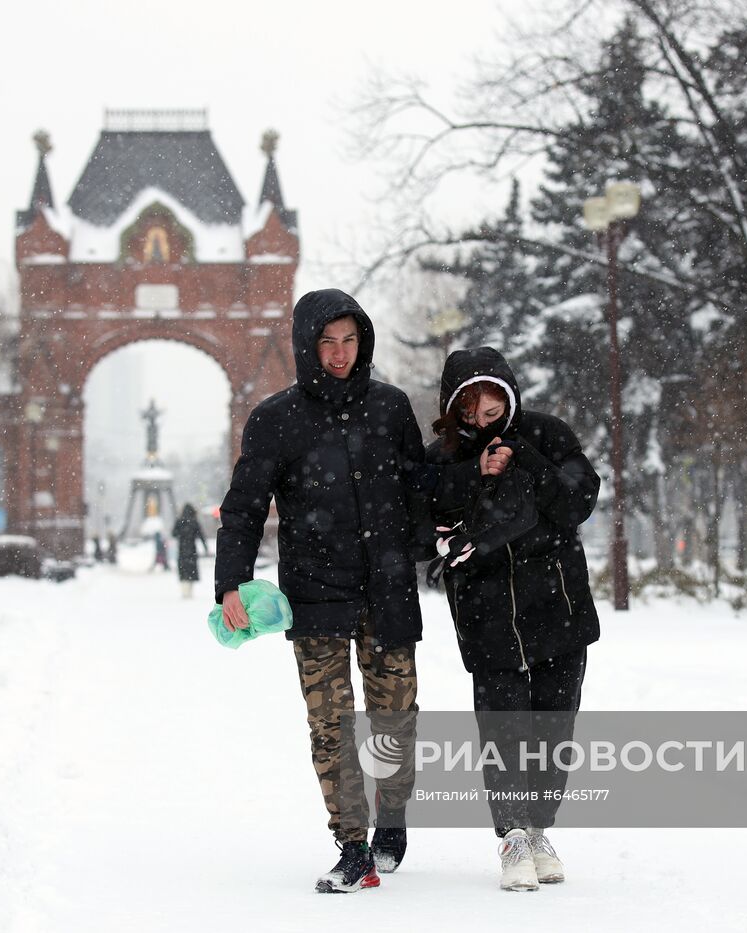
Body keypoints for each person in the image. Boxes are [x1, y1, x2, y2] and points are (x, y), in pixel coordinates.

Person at [215, 288, 429, 894]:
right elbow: (245, 509)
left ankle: (392, 822)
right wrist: (230, 581)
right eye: (327, 342)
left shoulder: (390, 407)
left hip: (387, 590)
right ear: (307, 345)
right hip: (314, 593)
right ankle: (352, 846)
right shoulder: (276, 419)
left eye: (349, 340)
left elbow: (418, 489)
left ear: (363, 342)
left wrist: (427, 545)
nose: (339, 354)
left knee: (395, 716)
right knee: (331, 724)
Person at [426, 346, 600, 893]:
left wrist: (522, 455)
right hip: (488, 615)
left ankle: (540, 828)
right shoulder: (442, 458)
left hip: (558, 605)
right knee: (503, 731)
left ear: (508, 396)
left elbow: (577, 501)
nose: (481, 417)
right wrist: (472, 480)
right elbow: (420, 520)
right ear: (454, 408)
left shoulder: (547, 434)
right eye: (468, 408)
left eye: (491, 404)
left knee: (554, 726)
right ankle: (512, 836)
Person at [171, 503, 209, 598]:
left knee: (183, 571)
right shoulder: (194, 522)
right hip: (192, 550)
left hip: (182, 550)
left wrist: (181, 534)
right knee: (191, 571)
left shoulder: (179, 521)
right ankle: (190, 591)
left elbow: (173, 533)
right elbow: (201, 536)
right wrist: (205, 548)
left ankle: (185, 591)